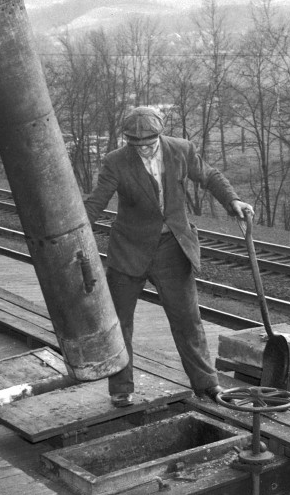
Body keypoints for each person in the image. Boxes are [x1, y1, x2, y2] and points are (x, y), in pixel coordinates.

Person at [84, 106, 254, 407]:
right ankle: (121, 389)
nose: (143, 149)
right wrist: (75, 233)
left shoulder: (180, 150)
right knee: (119, 322)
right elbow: (97, 201)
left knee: (188, 321)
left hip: (172, 248)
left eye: (149, 143)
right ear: (128, 140)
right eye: (136, 144)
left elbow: (209, 176)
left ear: (160, 135)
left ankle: (207, 384)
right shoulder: (115, 161)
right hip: (129, 250)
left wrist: (233, 201)